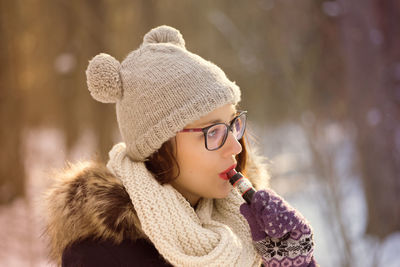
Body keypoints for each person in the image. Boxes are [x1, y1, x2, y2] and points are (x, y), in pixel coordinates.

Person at [43, 25, 318, 267]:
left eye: (232, 124)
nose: (234, 146)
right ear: (158, 146)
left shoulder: (249, 229)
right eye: (212, 132)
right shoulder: (99, 255)